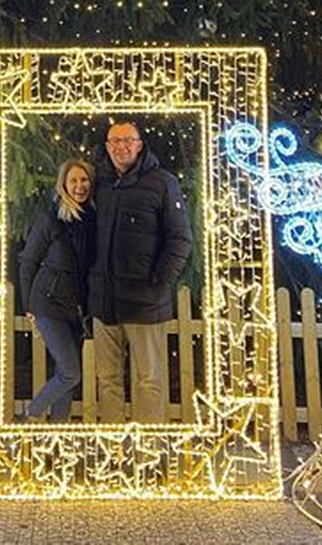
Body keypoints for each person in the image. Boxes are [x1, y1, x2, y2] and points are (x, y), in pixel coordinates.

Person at [89, 121, 192, 423]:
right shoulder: (101, 184)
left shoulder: (162, 182)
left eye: (127, 140)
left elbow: (180, 238)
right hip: (104, 302)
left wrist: (159, 281)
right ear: (107, 148)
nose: (120, 146)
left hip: (145, 303)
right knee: (107, 381)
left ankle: (150, 455)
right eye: (114, 141)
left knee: (149, 381)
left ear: (140, 144)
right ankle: (113, 455)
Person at [18, 159, 96, 422]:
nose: (79, 186)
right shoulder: (50, 219)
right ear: (63, 185)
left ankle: (56, 434)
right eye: (73, 180)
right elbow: (28, 260)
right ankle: (29, 414)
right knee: (71, 372)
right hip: (47, 303)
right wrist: (27, 303)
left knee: (66, 373)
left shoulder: (94, 219)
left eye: (84, 180)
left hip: (76, 309)